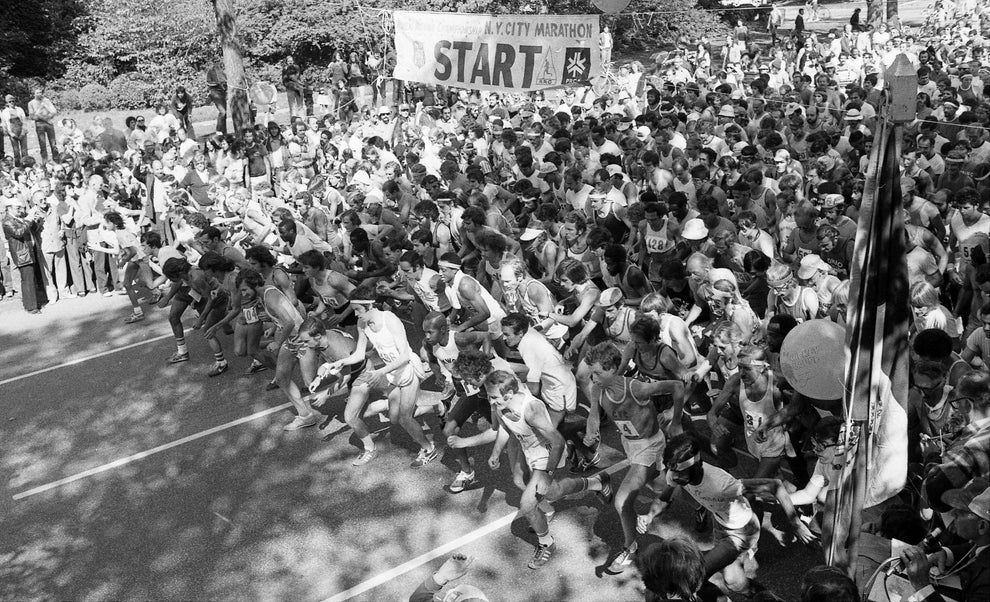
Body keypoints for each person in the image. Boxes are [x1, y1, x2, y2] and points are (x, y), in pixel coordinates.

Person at [583, 342, 685, 574]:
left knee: (622, 502)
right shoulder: (598, 389)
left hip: (650, 446)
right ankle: (697, 496)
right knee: (661, 485)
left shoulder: (636, 388)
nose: (593, 377)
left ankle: (630, 548)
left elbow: (678, 386)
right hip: (630, 445)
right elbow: (593, 416)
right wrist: (591, 432)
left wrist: (675, 419)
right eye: (592, 373)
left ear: (612, 369)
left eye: (598, 372)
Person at [320, 285, 442, 467]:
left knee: (404, 418)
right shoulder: (362, 324)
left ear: (369, 306)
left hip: (407, 369)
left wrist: (380, 372)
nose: (355, 315)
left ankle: (428, 448)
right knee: (394, 418)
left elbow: (404, 356)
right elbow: (360, 354)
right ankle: (439, 407)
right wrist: (339, 363)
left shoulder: (390, 320)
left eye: (358, 310)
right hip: (392, 372)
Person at [898, 479, 990, 602]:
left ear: (982, 526)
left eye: (961, 512)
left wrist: (922, 586)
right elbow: (974, 548)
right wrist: (946, 554)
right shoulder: (984, 541)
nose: (953, 515)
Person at [1, 195, 48, 313]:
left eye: (20, 208)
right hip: (22, 254)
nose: (20, 210)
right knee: (27, 280)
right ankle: (31, 307)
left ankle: (31, 303)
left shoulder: (18, 217)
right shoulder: (7, 221)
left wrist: (34, 220)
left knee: (30, 278)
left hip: (28, 251)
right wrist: (28, 220)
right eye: (17, 208)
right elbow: (18, 232)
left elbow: (29, 228)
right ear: (9, 208)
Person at [27, 88, 58, 163]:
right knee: (42, 144)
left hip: (49, 123)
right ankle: (45, 162)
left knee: (53, 143)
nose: (39, 94)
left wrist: (48, 117)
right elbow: (32, 116)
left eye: (40, 92)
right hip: (39, 124)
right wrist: (45, 119)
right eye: (37, 92)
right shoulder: (31, 103)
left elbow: (54, 111)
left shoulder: (46, 101)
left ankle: (56, 159)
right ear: (34, 94)